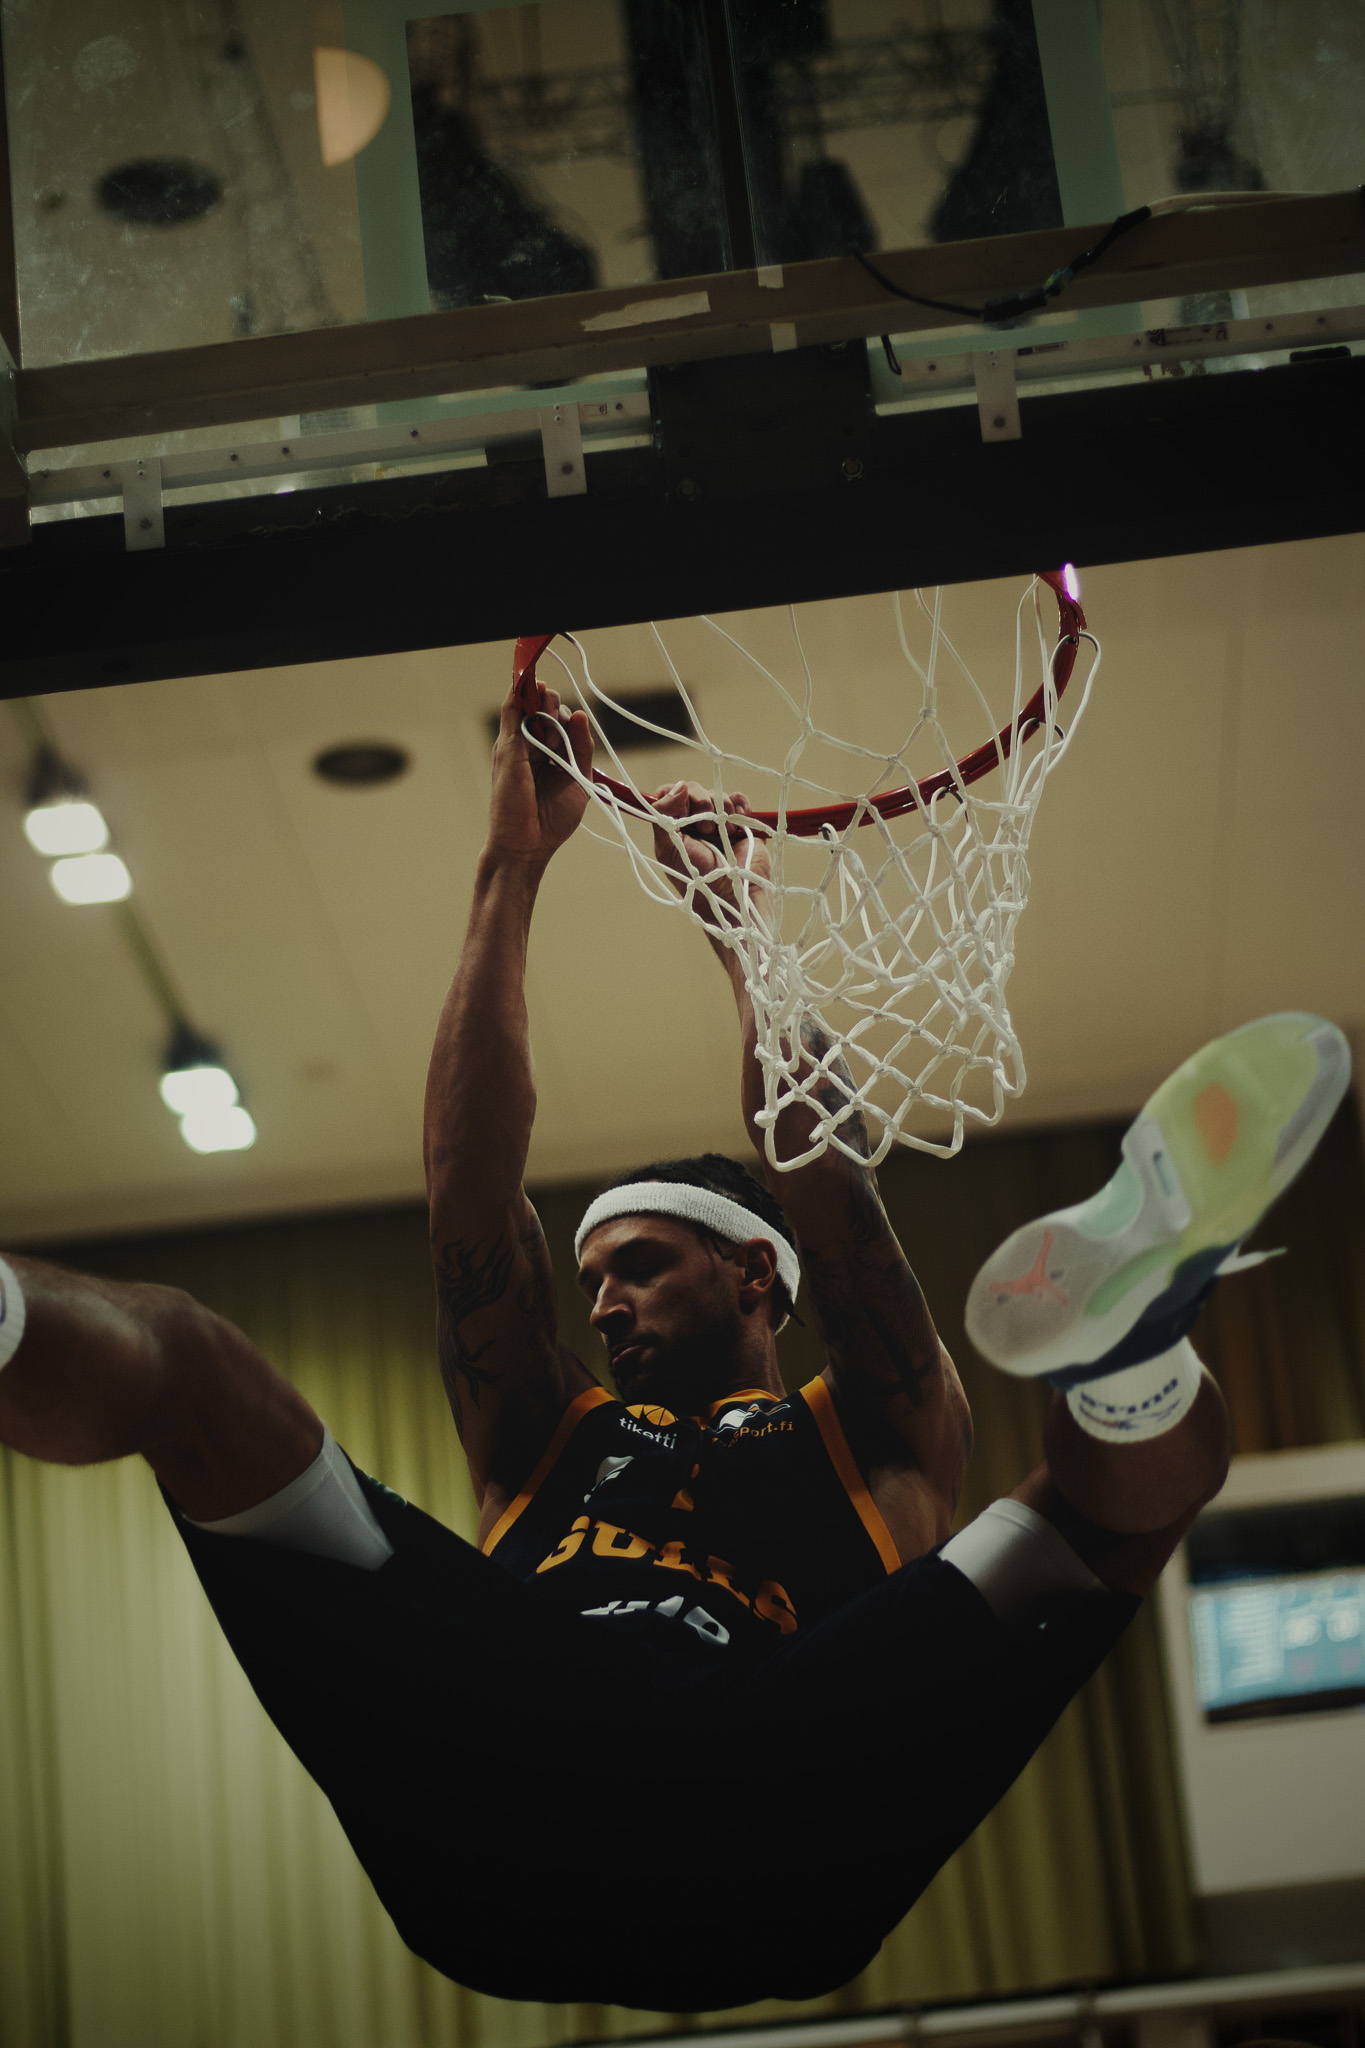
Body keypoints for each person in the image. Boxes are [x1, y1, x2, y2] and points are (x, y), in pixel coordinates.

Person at [0, 669, 1347, 2013]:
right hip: (517, 1782)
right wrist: (507, 872)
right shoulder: (549, 1429)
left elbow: (826, 1181)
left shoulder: (872, 1426)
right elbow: (470, 1196)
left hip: (788, 1797)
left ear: (755, 1274)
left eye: (637, 1265)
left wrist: (746, 937)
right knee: (185, 1362)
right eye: (591, 1278)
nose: (597, 1305)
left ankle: (1125, 1347)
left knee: (1092, 1527)